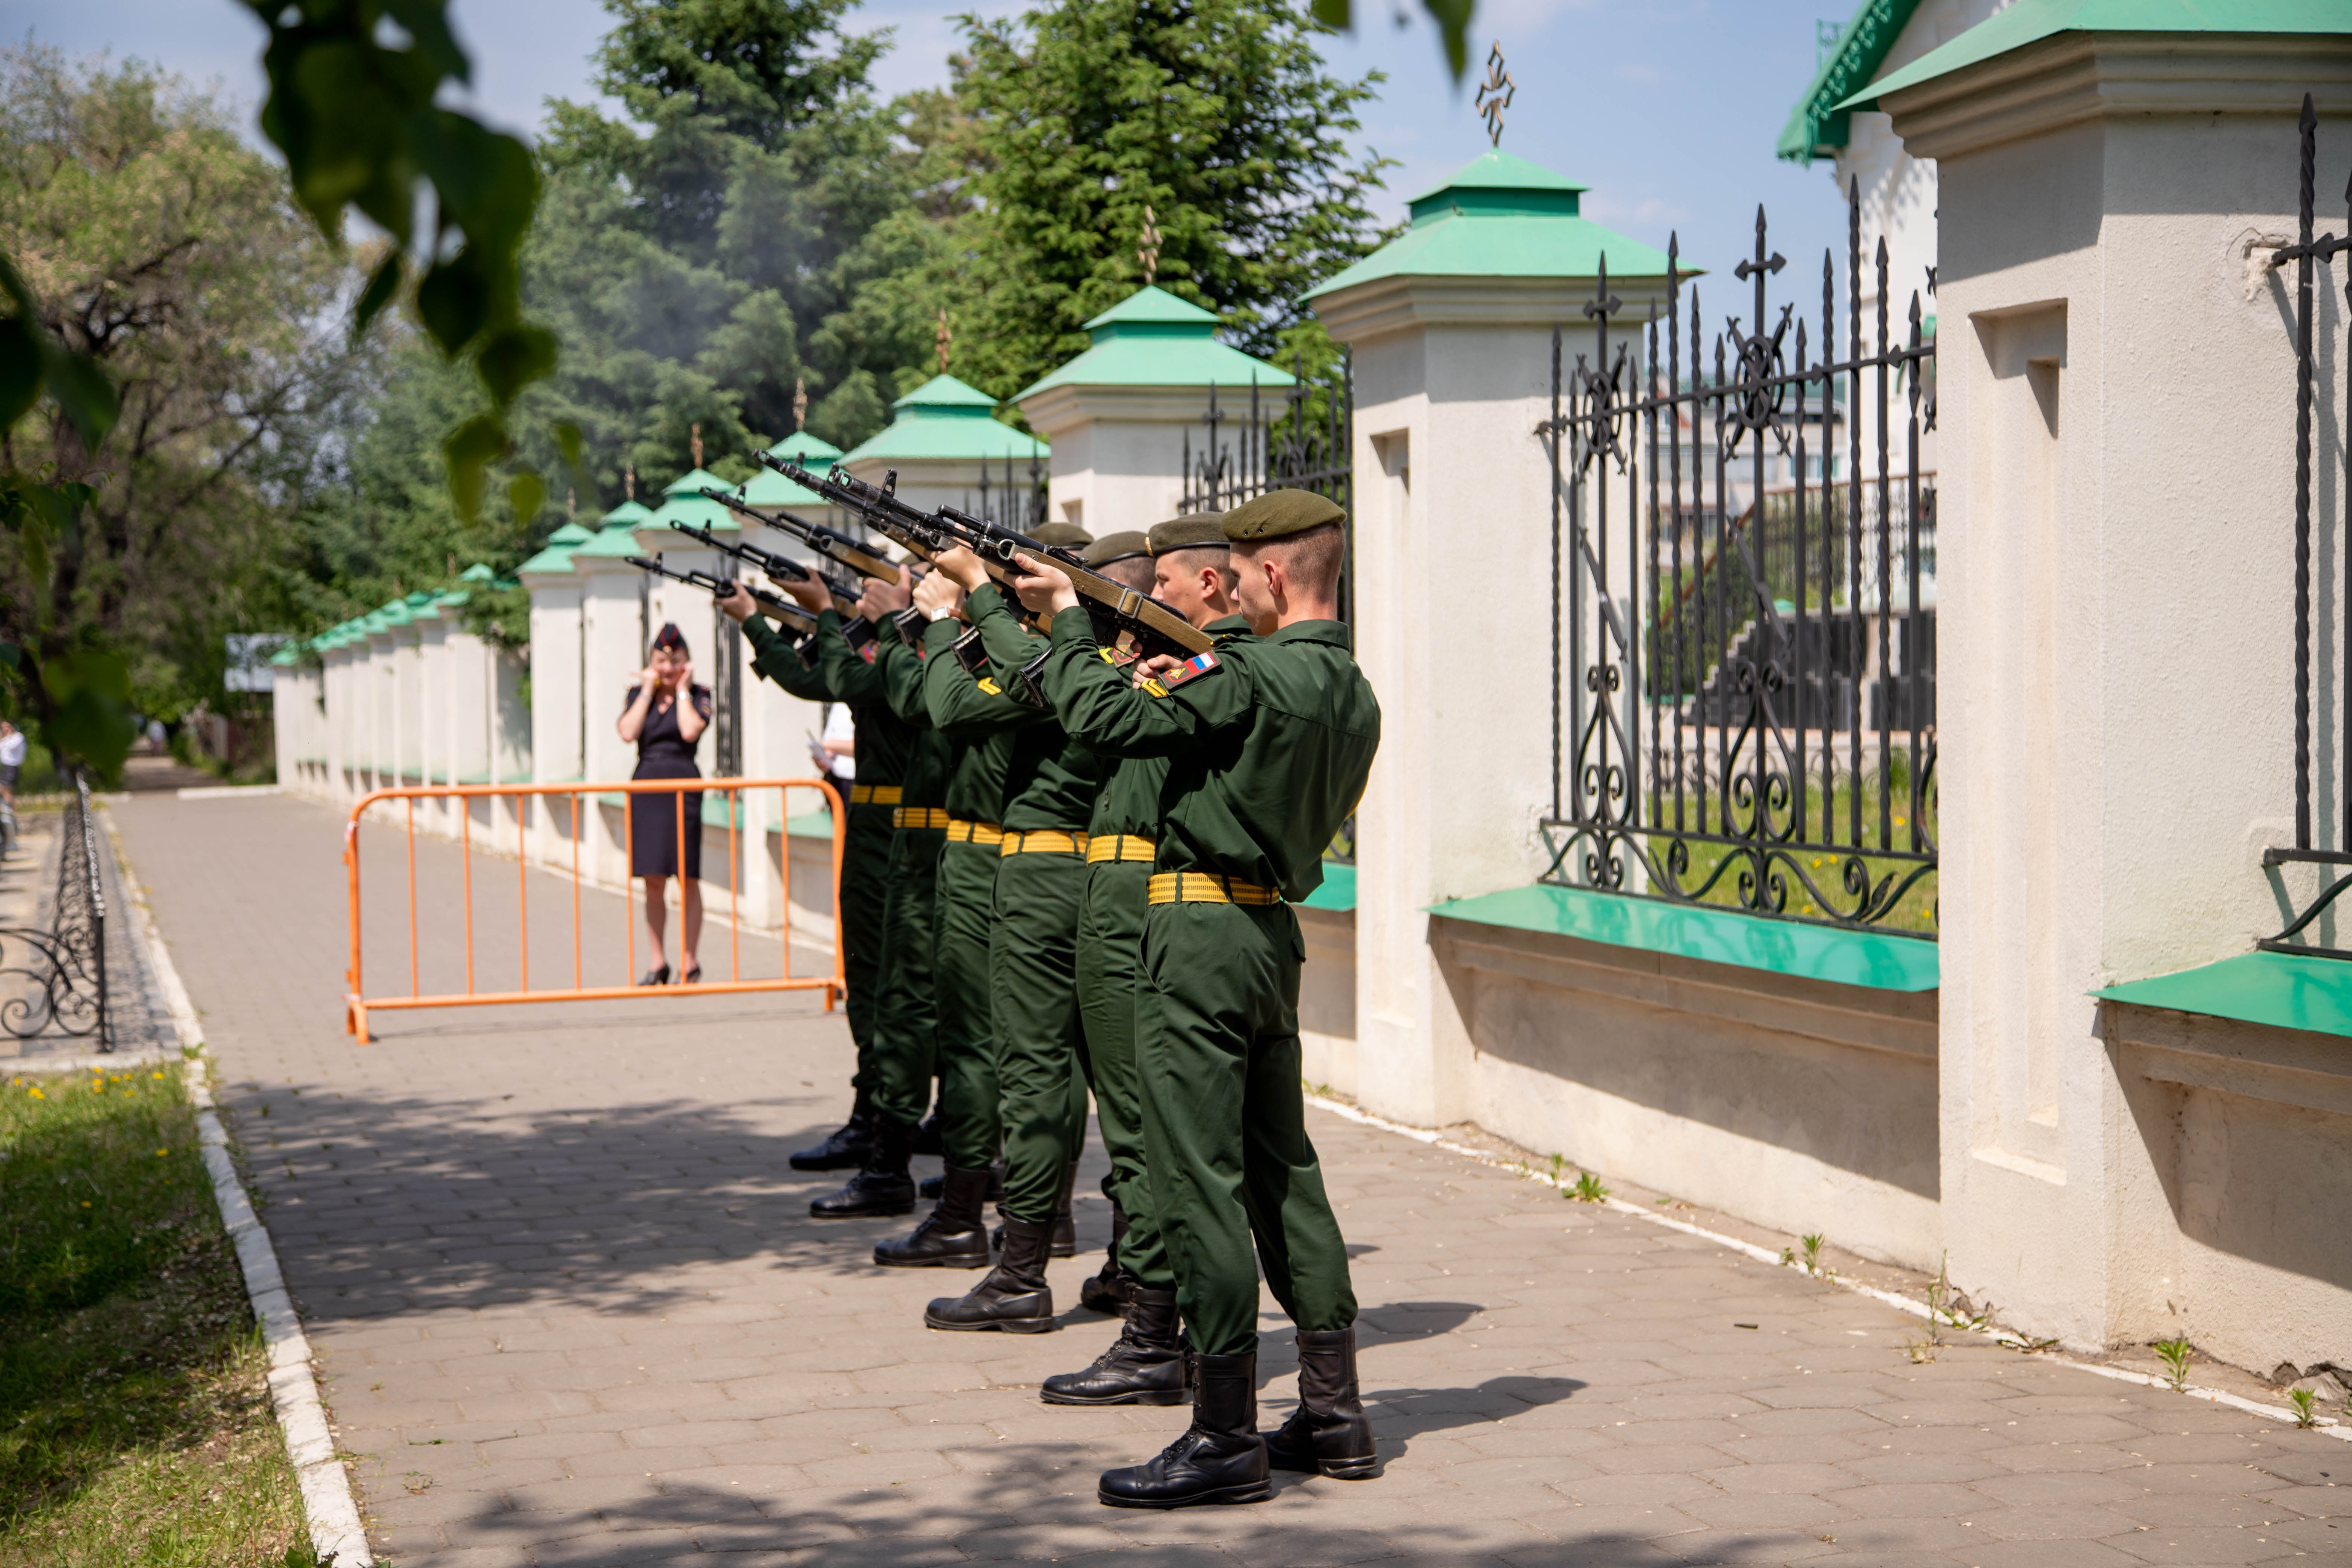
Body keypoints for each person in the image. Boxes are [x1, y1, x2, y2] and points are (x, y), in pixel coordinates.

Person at [1004, 490, 1380, 1509]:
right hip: (1268, 935)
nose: (1238, 592)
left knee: (1197, 1179)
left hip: (1197, 937)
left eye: (1245, 574)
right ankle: (1335, 1412)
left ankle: (1223, 1433)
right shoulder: (1353, 691)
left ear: (1271, 574)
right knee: (1283, 1173)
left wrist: (1068, 619)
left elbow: (1099, 715)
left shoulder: (1246, 674)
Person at [1035, 516, 1247, 1409]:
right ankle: (1158, 1316)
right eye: (1147, 586)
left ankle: (1155, 1334)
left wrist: (1075, 625)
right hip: (1119, 891)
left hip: (1145, 902)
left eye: (1164, 586)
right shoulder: (1172, 665)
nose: (1154, 599)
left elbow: (1092, 721)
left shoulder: (1212, 670)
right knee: (1134, 1123)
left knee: (1142, 1126)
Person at [616, 623, 711, 986]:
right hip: (648, 788)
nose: (668, 668)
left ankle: (690, 961)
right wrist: (646, 690)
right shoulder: (638, 695)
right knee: (653, 879)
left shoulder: (700, 694)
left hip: (684, 786)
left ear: (687, 663)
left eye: (676, 661)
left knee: (688, 877)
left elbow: (689, 731)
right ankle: (658, 962)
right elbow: (628, 732)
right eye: (661, 661)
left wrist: (683, 690)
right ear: (651, 663)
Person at [0, 719, 25, 805]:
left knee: (8, 790)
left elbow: (12, 747)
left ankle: (11, 810)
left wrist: (8, 736)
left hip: (12, 766)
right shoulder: (4, 739)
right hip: (5, 766)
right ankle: (8, 808)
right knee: (3, 788)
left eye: (7, 727)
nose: (6, 729)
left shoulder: (18, 737)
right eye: (3, 728)